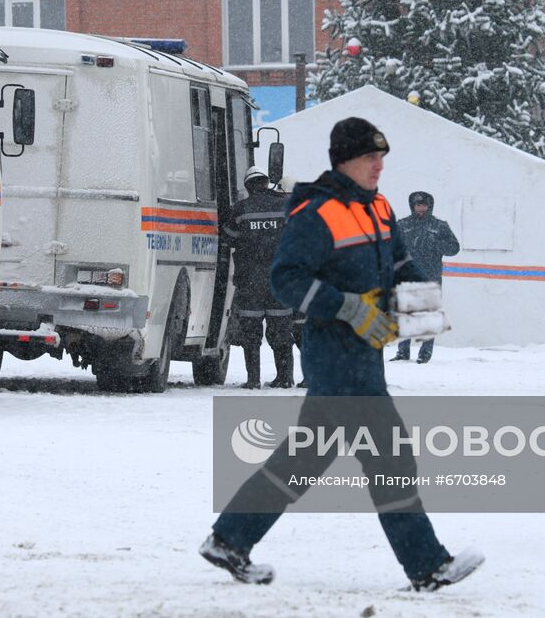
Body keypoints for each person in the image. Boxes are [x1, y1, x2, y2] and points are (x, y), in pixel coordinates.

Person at [200, 117, 483, 590]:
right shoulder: (316, 210)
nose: (379, 166)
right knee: (389, 457)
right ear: (344, 160)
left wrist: (420, 307)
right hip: (334, 353)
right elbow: (285, 278)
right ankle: (427, 565)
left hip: (364, 353)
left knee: (304, 459)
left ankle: (229, 537)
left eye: (382, 157)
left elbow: (398, 262)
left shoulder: (378, 208)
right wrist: (347, 306)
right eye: (371, 157)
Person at [223, 166, 295, 388]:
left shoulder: (241, 209)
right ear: (266, 183)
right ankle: (285, 378)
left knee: (251, 333)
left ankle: (253, 379)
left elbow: (228, 237)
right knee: (282, 331)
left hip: (250, 281)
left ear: (247, 186)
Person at [390, 191, 460, 363]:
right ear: (412, 206)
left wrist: (435, 244)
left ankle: (425, 354)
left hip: (431, 277)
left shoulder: (439, 226)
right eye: (417, 205)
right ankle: (403, 352)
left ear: (429, 206)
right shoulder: (402, 225)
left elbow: (454, 248)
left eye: (424, 205)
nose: (421, 208)